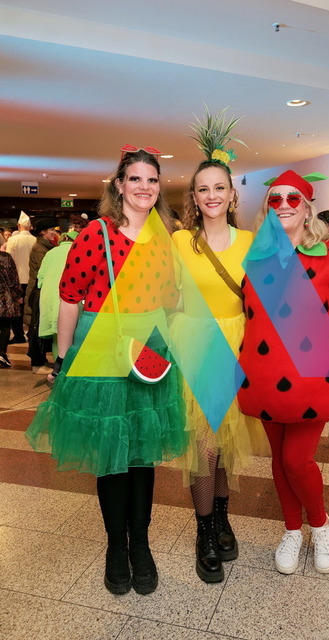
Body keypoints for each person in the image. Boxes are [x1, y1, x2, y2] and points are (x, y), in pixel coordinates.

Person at [25, 147, 188, 596]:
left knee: (142, 453)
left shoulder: (163, 237)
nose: (144, 187)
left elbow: (170, 299)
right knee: (112, 455)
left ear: (159, 186)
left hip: (148, 352)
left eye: (151, 179)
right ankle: (117, 547)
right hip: (101, 350)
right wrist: (62, 360)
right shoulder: (97, 233)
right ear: (119, 185)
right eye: (135, 179)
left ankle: (142, 547)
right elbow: (70, 297)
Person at [238, 170, 329, 576]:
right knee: (279, 461)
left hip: (316, 377)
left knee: (296, 459)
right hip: (264, 377)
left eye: (292, 199)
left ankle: (320, 524)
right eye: (275, 199)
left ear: (307, 209)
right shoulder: (255, 259)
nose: (283, 205)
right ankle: (291, 530)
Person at [170, 107, 268, 583]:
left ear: (232, 195)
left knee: (228, 444)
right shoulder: (179, 243)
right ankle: (204, 530)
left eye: (219, 188)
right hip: (197, 346)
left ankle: (223, 519)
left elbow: (272, 303)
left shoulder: (251, 241)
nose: (211, 195)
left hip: (241, 347)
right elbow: (164, 299)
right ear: (194, 197)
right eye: (203, 189)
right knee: (205, 448)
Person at [37, 230, 79, 364]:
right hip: (71, 296)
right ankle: (71, 368)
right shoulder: (78, 251)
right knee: (74, 334)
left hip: (49, 296)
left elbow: (40, 278)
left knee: (58, 336)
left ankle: (59, 368)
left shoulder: (50, 253)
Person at [24, 217, 57, 374]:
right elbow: (43, 273)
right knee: (36, 327)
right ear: (43, 232)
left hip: (38, 290)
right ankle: (37, 364)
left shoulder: (45, 247)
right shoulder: (40, 249)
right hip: (37, 291)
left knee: (37, 326)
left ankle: (40, 361)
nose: (54, 233)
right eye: (51, 230)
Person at [6, 211, 36, 343]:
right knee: (31, 307)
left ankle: (19, 335)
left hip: (17, 279)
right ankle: (31, 333)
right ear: (30, 226)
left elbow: (8, 261)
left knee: (16, 309)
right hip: (32, 279)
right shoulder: (35, 240)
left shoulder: (13, 240)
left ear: (19, 226)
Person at [0, 252, 22, 368]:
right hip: (4, 296)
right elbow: (13, 278)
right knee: (5, 325)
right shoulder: (5, 257)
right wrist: (18, 294)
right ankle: (1, 353)